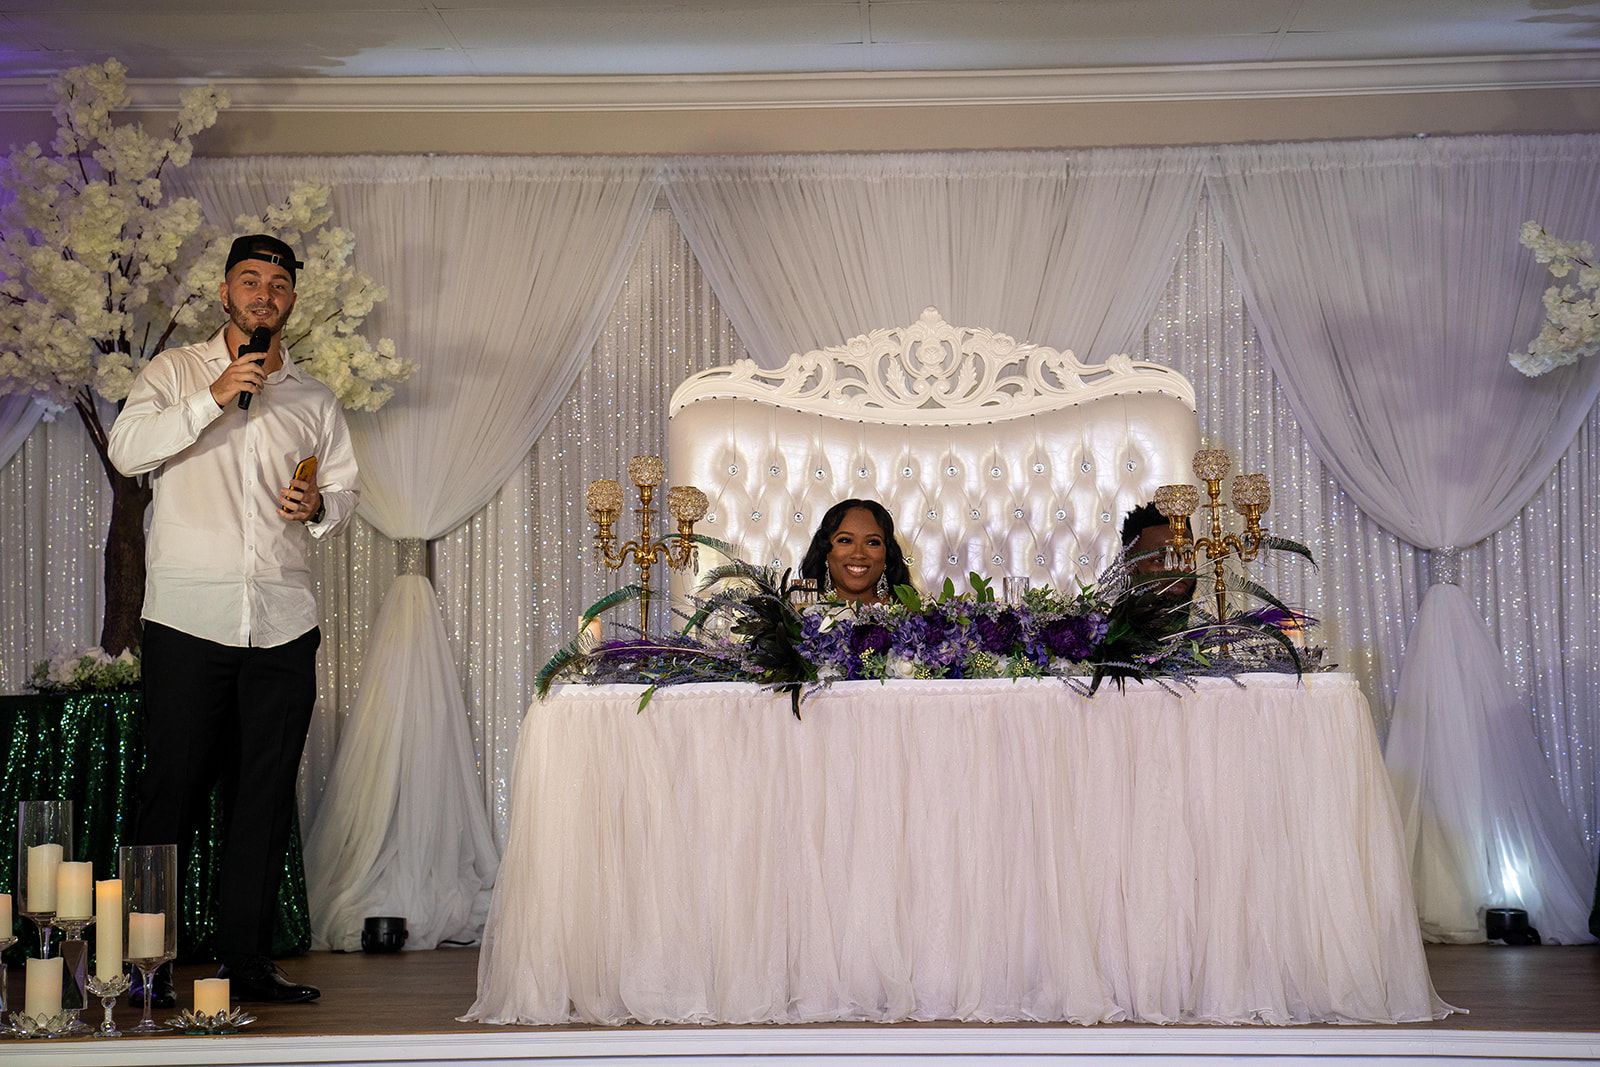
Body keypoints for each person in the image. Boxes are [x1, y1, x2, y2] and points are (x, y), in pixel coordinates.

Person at [106, 235, 359, 1005]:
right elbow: (127, 451)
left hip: (282, 621)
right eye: (250, 280)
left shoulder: (313, 398)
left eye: (278, 283)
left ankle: (245, 959)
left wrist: (320, 504)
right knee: (170, 792)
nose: (264, 293)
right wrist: (213, 396)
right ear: (225, 294)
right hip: (189, 617)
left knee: (265, 795)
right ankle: (145, 963)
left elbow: (343, 490)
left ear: (291, 301)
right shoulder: (175, 371)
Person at [798, 499, 912, 604]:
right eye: (845, 540)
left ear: (887, 553)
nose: (858, 554)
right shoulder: (799, 606)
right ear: (825, 550)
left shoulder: (908, 611)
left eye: (872, 543)